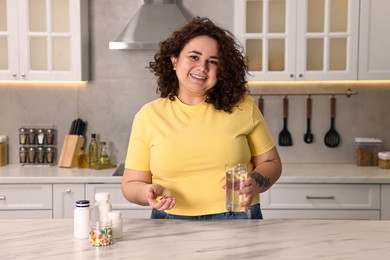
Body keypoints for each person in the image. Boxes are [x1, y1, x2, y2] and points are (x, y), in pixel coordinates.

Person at [121, 17, 282, 220]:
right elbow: (130, 184)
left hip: (238, 218)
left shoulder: (243, 107)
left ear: (221, 70)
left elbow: (271, 162)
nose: (202, 67)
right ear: (174, 59)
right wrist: (147, 193)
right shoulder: (148, 115)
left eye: (213, 61)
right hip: (170, 221)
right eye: (194, 57)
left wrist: (256, 182)